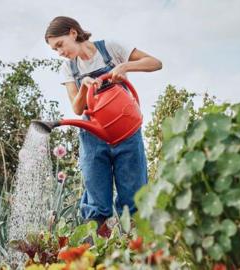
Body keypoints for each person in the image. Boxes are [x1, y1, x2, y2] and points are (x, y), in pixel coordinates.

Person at [45, 16, 162, 229]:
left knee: (134, 200)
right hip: (94, 138)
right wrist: (84, 88)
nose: (60, 52)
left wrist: (125, 66)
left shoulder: (110, 49)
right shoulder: (69, 69)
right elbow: (78, 109)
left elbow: (155, 63)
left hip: (126, 132)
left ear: (73, 33)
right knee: (96, 202)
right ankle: (95, 256)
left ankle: (135, 254)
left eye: (60, 45)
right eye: (55, 50)